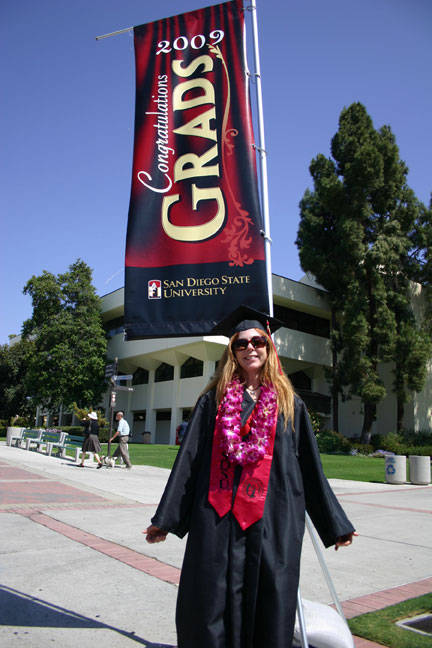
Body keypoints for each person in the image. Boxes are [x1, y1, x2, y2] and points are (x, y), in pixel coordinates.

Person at [144, 306, 357, 648]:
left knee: (270, 594)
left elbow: (310, 468)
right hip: (218, 515)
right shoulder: (212, 402)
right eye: (240, 344)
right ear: (232, 352)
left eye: (258, 342)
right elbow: (189, 461)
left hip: (273, 517)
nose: (250, 349)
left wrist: (335, 524)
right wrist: (165, 520)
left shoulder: (290, 404)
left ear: (269, 348)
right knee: (210, 595)